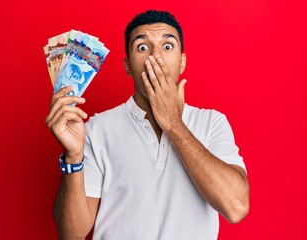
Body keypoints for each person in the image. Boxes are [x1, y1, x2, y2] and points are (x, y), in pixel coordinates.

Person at [46, 10, 249, 240]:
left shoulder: (212, 123)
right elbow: (72, 234)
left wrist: (174, 124)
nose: (156, 57)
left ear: (182, 62)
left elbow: (236, 208)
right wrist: (73, 156)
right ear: (128, 66)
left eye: (168, 46)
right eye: (142, 48)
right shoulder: (97, 129)